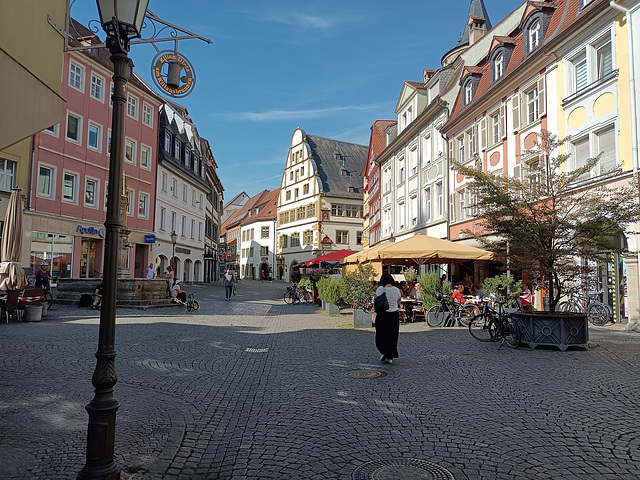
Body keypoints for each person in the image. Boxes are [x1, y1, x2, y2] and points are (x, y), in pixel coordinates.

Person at [374, 273, 402, 364]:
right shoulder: (396, 290)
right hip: (394, 315)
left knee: (381, 335)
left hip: (382, 315)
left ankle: (384, 352)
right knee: (392, 336)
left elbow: (376, 300)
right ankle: (390, 356)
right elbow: (399, 301)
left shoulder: (380, 289)